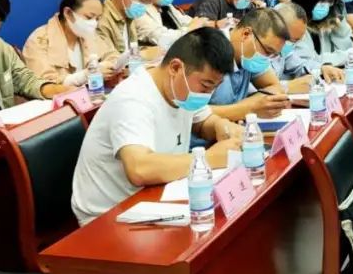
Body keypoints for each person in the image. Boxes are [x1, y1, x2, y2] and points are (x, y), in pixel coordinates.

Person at [71, 29, 242, 225]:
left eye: (214, 87)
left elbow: (203, 122)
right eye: (205, 86)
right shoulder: (133, 98)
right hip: (108, 215)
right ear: (175, 68)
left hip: (157, 197)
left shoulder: (179, 88)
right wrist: (208, 159)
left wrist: (222, 126)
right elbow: (139, 169)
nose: (208, 94)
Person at [206, 8, 293, 123]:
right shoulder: (208, 52)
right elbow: (192, 113)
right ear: (246, 34)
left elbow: (275, 87)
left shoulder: (248, 56)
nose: (267, 58)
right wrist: (247, 109)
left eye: (273, 54)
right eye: (267, 51)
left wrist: (248, 107)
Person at [23, 0, 107, 86]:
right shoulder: (39, 40)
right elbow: (45, 85)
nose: (94, 23)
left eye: (97, 18)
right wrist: (84, 76)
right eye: (89, 17)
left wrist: (111, 68)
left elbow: (111, 55)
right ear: (68, 13)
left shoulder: (89, 34)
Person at [269, 2, 345, 92]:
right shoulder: (257, 52)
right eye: (292, 40)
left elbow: (299, 65)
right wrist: (287, 86)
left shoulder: (284, 49)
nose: (293, 44)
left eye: (297, 40)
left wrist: (322, 68)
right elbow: (257, 90)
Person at [94, 0, 160, 68]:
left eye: (147, 3)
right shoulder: (101, 20)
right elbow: (111, 61)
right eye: (142, 1)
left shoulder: (128, 14)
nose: (143, 7)